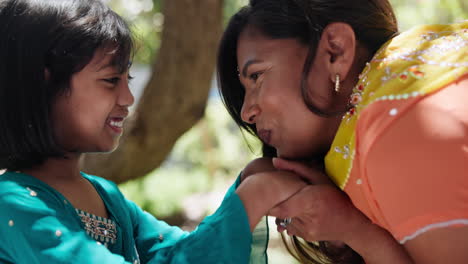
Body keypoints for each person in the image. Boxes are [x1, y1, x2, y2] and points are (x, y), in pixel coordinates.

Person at [0, 0, 309, 263]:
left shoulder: (105, 195)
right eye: (110, 81)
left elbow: (179, 254)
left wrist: (250, 183)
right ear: (44, 85)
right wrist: (254, 197)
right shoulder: (12, 203)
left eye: (127, 79)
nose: (128, 99)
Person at [217, 0, 468, 263]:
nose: (247, 112)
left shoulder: (402, 135)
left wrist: (355, 231)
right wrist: (345, 228)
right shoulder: (412, 74)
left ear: (335, 51)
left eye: (256, 77)